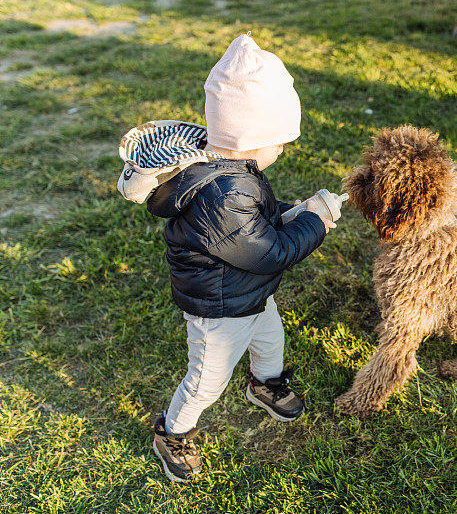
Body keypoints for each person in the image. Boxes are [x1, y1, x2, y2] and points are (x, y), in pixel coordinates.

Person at [116, 33, 336, 482]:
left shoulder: (233, 176)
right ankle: (172, 433)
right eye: (281, 141)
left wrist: (293, 212)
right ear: (255, 139)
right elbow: (268, 252)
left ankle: (266, 385)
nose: (282, 150)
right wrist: (315, 224)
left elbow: (255, 223)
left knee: (270, 342)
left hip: (249, 295)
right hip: (219, 312)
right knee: (205, 383)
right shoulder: (224, 192)